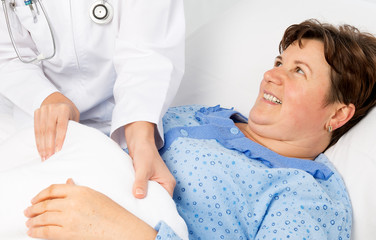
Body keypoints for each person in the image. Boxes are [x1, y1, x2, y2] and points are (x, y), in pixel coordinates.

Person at [24, 19, 376, 239]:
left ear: (338, 114)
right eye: (279, 62)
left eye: (299, 71)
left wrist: (118, 231)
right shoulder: (203, 116)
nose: (272, 74)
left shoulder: (305, 196)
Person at [0, 0, 185, 199]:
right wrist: (46, 98)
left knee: (146, 198)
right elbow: (9, 54)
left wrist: (140, 138)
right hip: (41, 120)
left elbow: (146, 52)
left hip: (126, 117)